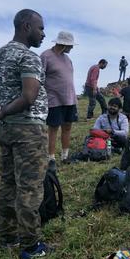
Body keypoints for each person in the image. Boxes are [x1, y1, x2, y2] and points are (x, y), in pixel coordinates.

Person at [0, 9, 51, 259]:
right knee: (30, 186)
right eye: (40, 28)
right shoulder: (28, 57)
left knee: (8, 182)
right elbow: (29, 96)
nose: (43, 34)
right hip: (28, 129)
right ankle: (31, 246)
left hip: (6, 130)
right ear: (26, 27)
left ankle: (7, 237)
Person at [40, 31, 78, 166]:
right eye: (70, 45)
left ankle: (65, 156)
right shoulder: (46, 56)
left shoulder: (67, 59)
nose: (72, 47)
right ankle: (51, 158)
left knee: (67, 127)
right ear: (63, 44)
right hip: (54, 100)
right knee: (53, 129)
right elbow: (39, 78)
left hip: (70, 99)